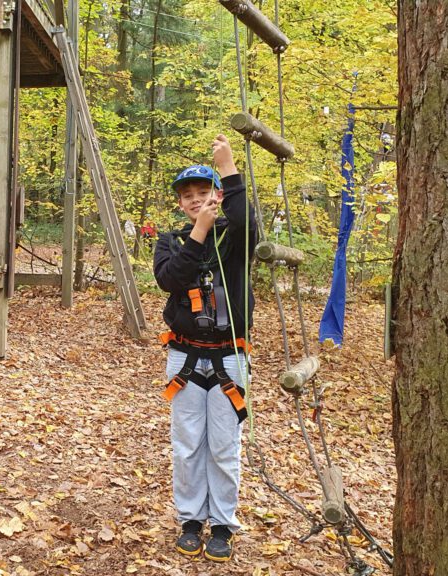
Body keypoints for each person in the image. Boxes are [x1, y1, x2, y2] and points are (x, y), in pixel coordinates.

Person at [153, 134, 257, 563]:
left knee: (224, 445)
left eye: (204, 193)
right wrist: (198, 231)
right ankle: (191, 519)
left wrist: (229, 170)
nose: (196, 201)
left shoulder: (234, 242)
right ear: (181, 203)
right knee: (188, 443)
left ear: (216, 196)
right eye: (188, 196)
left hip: (229, 356)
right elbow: (171, 279)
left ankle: (223, 524)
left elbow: (246, 223)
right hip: (185, 357)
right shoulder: (172, 241)